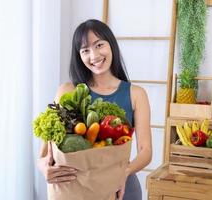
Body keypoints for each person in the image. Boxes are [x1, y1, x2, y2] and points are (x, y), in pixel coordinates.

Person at [37, 19, 152, 200]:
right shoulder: (67, 91)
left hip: (121, 188)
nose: (94, 55)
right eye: (85, 50)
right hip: (76, 189)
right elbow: (44, 153)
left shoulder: (136, 94)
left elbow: (146, 151)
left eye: (99, 45)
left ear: (111, 45)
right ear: (79, 56)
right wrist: (44, 167)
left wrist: (124, 172)